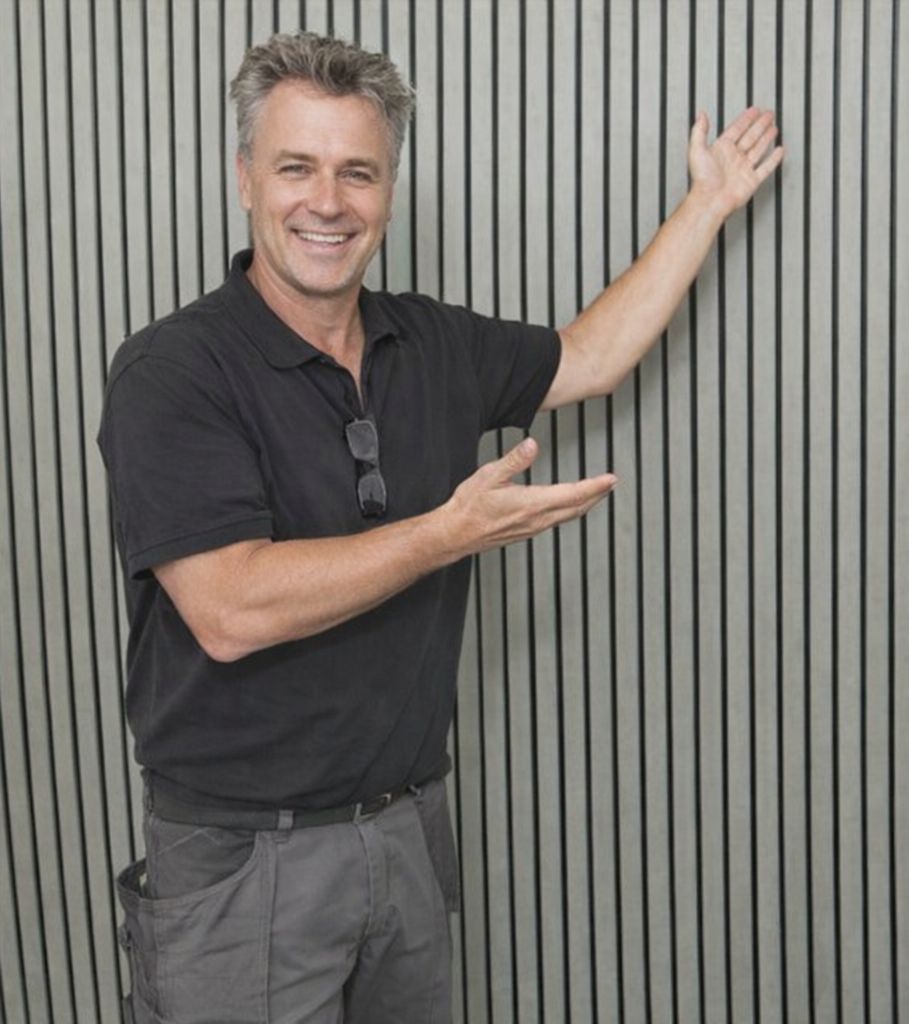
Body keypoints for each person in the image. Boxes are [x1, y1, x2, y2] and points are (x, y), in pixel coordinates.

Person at [96, 31, 782, 1024]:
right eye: (297, 167)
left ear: (389, 190)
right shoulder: (176, 371)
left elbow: (590, 356)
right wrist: (443, 534)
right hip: (244, 862)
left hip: (406, 835)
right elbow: (229, 607)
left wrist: (707, 204)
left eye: (358, 173)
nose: (327, 202)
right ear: (246, 177)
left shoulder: (432, 342)